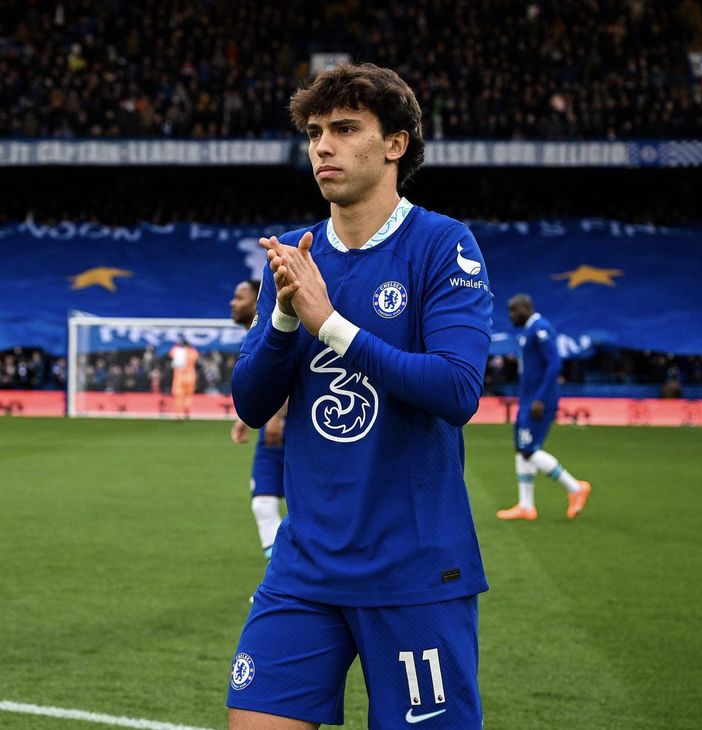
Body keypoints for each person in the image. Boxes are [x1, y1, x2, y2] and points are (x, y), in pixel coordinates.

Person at [227, 63, 493, 730]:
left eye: (345, 129)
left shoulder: (442, 245)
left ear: (395, 144)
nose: (323, 146)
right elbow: (251, 404)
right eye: (315, 132)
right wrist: (286, 319)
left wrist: (331, 326)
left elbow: (458, 390)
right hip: (305, 565)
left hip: (413, 571)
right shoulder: (294, 253)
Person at [496, 294, 591, 521]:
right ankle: (526, 506)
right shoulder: (528, 330)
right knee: (522, 449)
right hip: (528, 399)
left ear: (526, 308)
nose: (511, 315)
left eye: (514, 310)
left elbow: (555, 363)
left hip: (539, 400)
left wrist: (540, 398)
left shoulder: (540, 328)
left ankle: (575, 488)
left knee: (529, 450)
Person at [229, 280, 286, 576]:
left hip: (298, 427)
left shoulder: (276, 324)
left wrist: (275, 416)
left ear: (257, 300)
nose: (232, 303)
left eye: (239, 297)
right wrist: (246, 417)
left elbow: (286, 366)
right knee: (263, 504)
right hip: (272, 428)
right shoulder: (253, 331)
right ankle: (280, 574)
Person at [167, 335, 199, 419]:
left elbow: (170, 353)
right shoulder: (192, 352)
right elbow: (196, 356)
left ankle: (179, 413)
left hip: (179, 377)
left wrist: (177, 345)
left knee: (178, 395)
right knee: (189, 395)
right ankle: (187, 411)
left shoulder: (176, 351)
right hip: (190, 377)